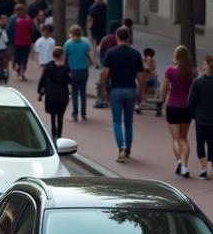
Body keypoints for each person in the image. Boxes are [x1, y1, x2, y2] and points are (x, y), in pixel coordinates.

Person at [100, 26, 145, 163]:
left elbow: (105, 73)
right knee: (129, 122)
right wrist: (140, 93)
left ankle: (121, 147)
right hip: (131, 89)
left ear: (117, 37)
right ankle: (128, 149)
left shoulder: (111, 53)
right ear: (129, 37)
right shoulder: (136, 54)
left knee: (117, 121)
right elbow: (140, 77)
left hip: (116, 90)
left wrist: (104, 89)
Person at [159, 44, 197, 177]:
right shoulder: (193, 72)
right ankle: (185, 167)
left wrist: (162, 100)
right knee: (184, 138)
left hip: (173, 106)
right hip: (187, 108)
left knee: (175, 139)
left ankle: (178, 162)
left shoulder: (170, 71)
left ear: (176, 56)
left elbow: (164, 88)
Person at [38, 46, 72, 139]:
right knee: (60, 117)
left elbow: (43, 79)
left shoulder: (48, 66)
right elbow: (70, 80)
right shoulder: (66, 67)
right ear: (62, 56)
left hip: (51, 94)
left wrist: (40, 90)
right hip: (62, 94)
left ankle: (53, 133)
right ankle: (59, 135)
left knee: (52, 115)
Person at [187, 55, 213, 179]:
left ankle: (204, 168)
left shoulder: (198, 83)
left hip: (201, 118)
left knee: (200, 143)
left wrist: (194, 115)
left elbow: (190, 102)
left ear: (207, 65)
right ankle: (210, 165)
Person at [64, 24, 93, 121]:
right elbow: (91, 58)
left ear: (71, 33)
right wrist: (88, 64)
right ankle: (83, 113)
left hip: (73, 71)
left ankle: (75, 113)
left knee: (74, 92)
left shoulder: (68, 44)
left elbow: (65, 59)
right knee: (83, 92)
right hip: (84, 70)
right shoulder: (85, 43)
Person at [7, 4, 38, 81]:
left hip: (19, 43)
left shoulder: (13, 19)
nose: (20, 12)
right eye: (18, 10)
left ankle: (21, 69)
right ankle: (21, 69)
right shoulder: (28, 19)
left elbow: (9, 31)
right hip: (22, 43)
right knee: (22, 58)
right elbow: (33, 30)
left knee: (20, 57)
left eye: (21, 10)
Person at [137, 46, 161, 113]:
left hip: (147, 79)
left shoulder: (148, 59)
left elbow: (148, 69)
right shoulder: (149, 60)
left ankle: (141, 105)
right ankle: (142, 104)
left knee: (142, 93)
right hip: (150, 78)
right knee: (152, 93)